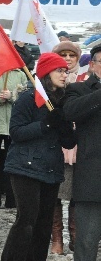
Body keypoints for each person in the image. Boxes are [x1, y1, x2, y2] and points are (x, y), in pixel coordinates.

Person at [0, 53, 76, 260]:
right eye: (59, 71)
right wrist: (46, 124)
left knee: (44, 225)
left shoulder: (62, 101)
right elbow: (16, 132)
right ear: (45, 73)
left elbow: (68, 142)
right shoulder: (28, 98)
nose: (64, 75)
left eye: (66, 71)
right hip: (25, 167)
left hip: (51, 170)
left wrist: (64, 126)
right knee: (26, 221)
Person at [63, 44, 101, 259]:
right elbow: (70, 112)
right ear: (93, 65)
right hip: (93, 179)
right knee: (87, 241)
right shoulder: (79, 90)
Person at [50, 40, 81, 254]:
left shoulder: (86, 81)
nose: (68, 59)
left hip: (80, 144)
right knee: (56, 195)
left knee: (77, 194)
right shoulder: (51, 84)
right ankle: (57, 240)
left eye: (72, 56)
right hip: (56, 144)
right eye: (64, 55)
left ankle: (76, 238)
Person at [0, 69, 28, 211]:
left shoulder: (20, 74)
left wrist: (12, 96)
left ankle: (12, 200)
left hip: (14, 128)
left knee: (12, 166)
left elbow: (26, 99)